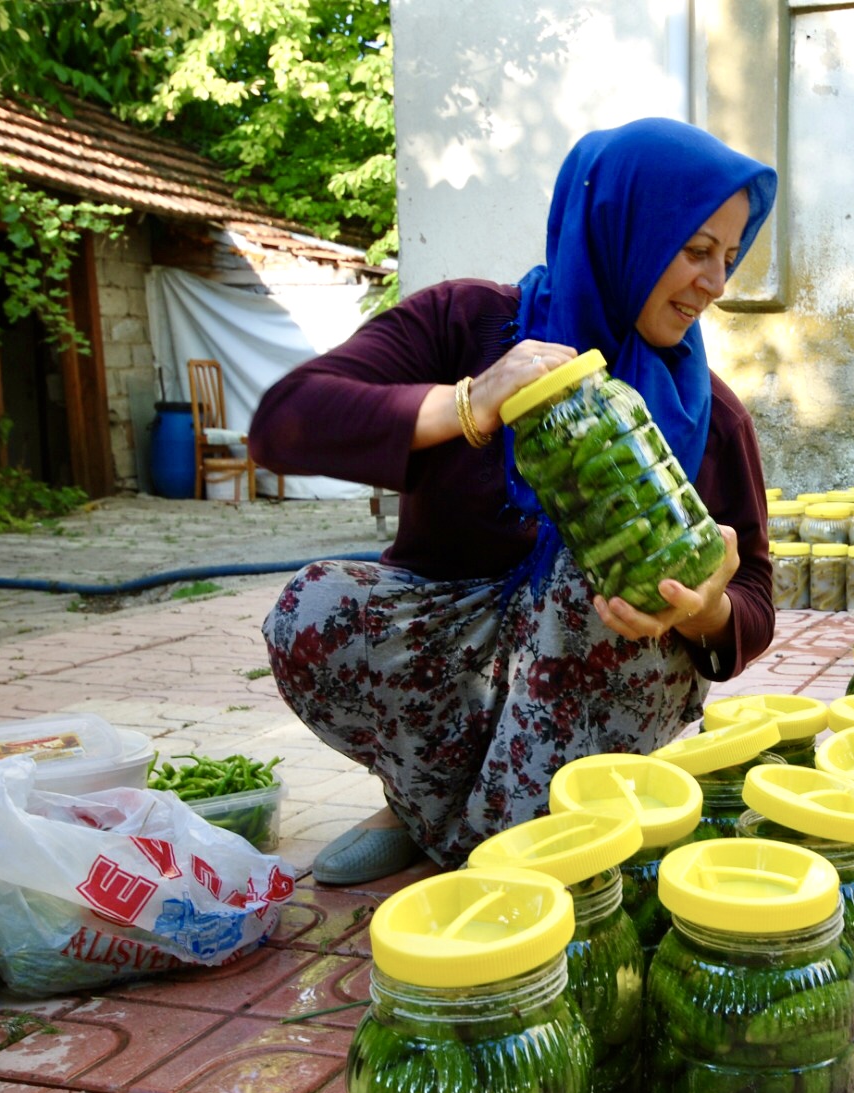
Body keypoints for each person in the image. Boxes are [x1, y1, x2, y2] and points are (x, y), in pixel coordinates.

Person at [250, 118, 777, 883]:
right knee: (316, 609)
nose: (717, 283)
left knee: (587, 563)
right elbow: (285, 422)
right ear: (622, 224)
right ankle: (434, 812)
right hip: (460, 648)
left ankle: (499, 854)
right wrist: (471, 403)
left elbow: (756, 598)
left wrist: (702, 608)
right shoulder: (466, 322)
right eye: (696, 250)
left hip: (613, 676)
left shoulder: (711, 416)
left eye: (730, 257)